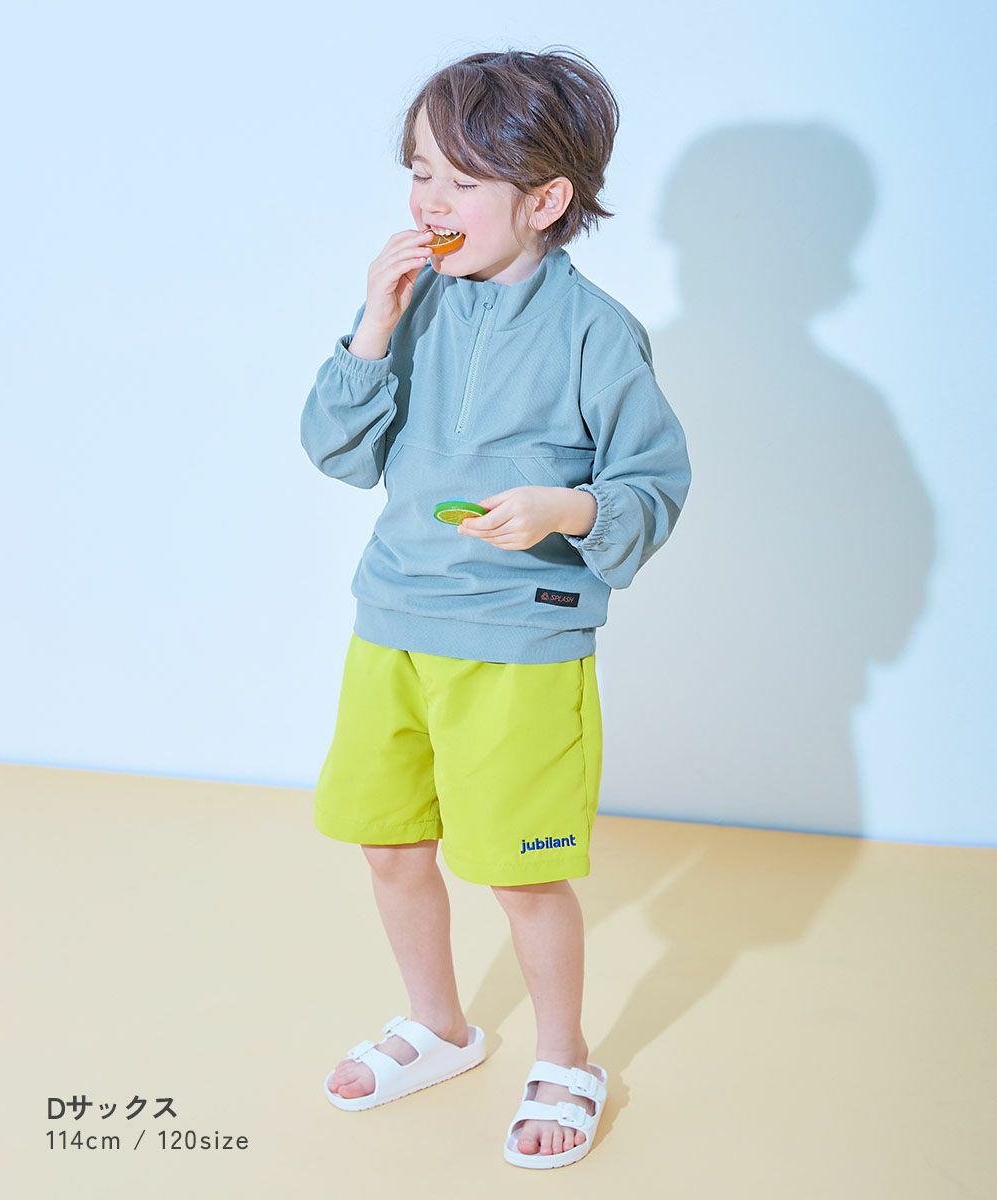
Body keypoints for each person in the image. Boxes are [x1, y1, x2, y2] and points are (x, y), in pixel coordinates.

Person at [300, 48, 691, 1168]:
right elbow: (337, 453)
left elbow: (653, 484)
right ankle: (439, 1026)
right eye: (419, 172)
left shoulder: (596, 332)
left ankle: (566, 1058)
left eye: (461, 180)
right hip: (393, 622)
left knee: (521, 870)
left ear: (546, 199)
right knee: (388, 843)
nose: (429, 201)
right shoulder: (411, 304)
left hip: (521, 639)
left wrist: (565, 508)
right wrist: (373, 327)